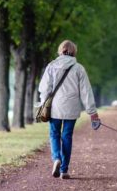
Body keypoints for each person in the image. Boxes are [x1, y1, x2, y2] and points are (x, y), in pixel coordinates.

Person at [38, 40, 100, 179]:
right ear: (74, 52)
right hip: (71, 107)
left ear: (60, 51)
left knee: (54, 134)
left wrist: (43, 104)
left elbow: (44, 88)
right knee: (67, 136)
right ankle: (64, 170)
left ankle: (56, 158)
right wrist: (92, 112)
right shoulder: (79, 68)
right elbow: (86, 91)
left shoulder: (51, 66)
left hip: (55, 107)